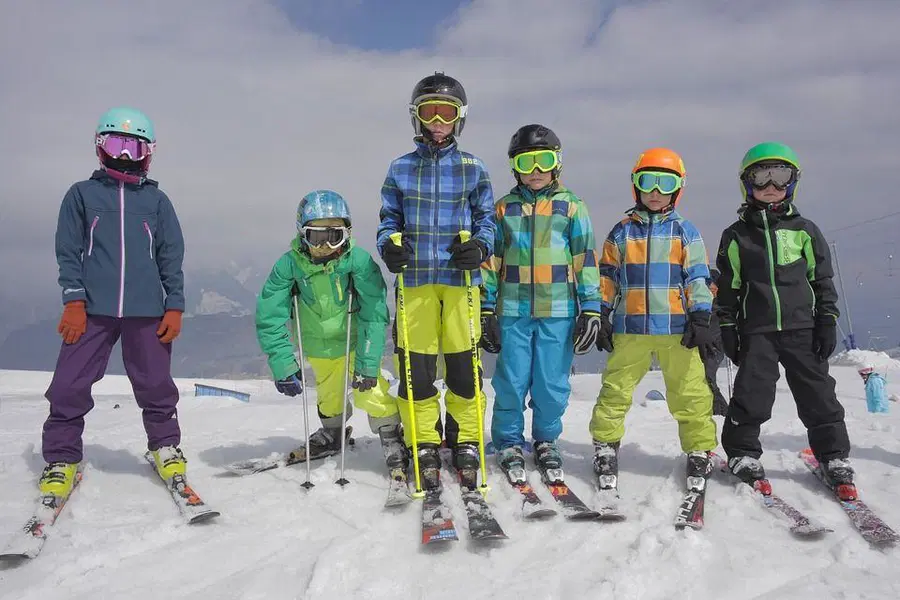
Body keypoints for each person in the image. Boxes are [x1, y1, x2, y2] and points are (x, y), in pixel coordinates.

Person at [40, 107, 186, 498]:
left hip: (147, 311)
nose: (124, 155)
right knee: (69, 385)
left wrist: (175, 304)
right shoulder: (82, 195)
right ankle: (62, 457)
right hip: (90, 311)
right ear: (100, 147)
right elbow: (67, 250)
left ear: (148, 152)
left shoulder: (157, 201)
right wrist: (73, 300)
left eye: (133, 147)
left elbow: (171, 254)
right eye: (117, 144)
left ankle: (165, 446)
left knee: (156, 384)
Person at [376, 72, 495, 488]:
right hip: (416, 281)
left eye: (448, 111)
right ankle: (423, 439)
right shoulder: (401, 168)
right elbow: (389, 218)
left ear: (460, 118)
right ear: (417, 116)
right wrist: (389, 247)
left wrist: (480, 248)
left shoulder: (472, 168)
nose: (439, 119)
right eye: (431, 111)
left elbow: (487, 220)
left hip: (460, 281)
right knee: (417, 368)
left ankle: (464, 437)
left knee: (465, 365)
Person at [715, 142, 854, 497]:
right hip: (757, 330)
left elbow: (821, 279)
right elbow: (728, 288)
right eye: (761, 176)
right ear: (747, 184)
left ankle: (833, 454)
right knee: (751, 394)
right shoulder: (736, 236)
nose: (771, 185)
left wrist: (826, 319)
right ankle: (743, 453)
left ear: (793, 182)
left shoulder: (804, 230)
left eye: (780, 175)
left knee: (818, 393)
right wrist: (728, 328)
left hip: (802, 328)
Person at [589, 148, 718, 493]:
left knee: (690, 392)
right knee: (615, 390)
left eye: (665, 183)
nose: (656, 191)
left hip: (678, 330)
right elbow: (608, 276)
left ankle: (699, 448)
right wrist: (601, 312)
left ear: (678, 188)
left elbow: (697, 277)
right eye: (649, 182)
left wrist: (701, 315)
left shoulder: (685, 231)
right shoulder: (621, 233)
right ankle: (605, 444)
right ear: (636, 186)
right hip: (631, 328)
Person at [480, 124, 602, 482]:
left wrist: (591, 306)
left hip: (559, 311)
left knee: (551, 383)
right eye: (526, 162)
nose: (535, 171)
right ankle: (508, 441)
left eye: (543, 161)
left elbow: (585, 259)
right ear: (514, 167)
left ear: (557, 163)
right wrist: (487, 307)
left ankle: (546, 440)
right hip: (514, 310)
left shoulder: (572, 207)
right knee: (512, 381)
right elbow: (492, 263)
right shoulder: (504, 209)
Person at [255, 190, 407, 478]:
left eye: (333, 236)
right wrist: (283, 363)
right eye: (316, 237)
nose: (324, 246)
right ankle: (333, 431)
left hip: (354, 341)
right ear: (302, 235)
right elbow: (270, 315)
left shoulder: (357, 262)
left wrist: (368, 364)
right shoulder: (289, 266)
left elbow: (373, 312)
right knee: (328, 395)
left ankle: (390, 434)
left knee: (370, 392)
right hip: (319, 346)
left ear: (347, 234)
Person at [706, 269, 730, 417]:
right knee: (704, 379)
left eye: (714, 287)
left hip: (715, 348)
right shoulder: (701, 307)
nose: (712, 291)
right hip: (704, 347)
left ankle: (721, 412)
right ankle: (717, 411)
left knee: (706, 377)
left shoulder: (719, 308)